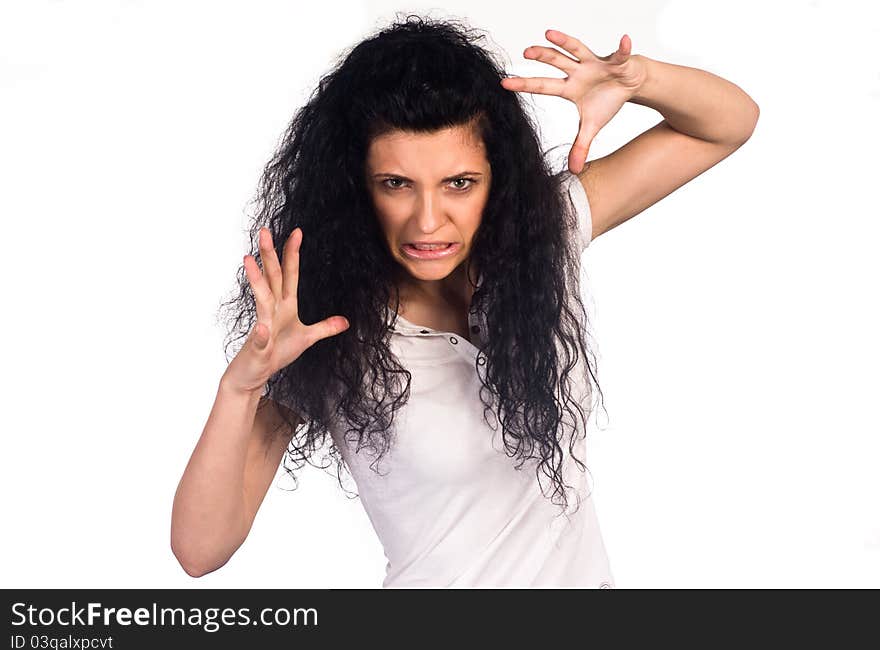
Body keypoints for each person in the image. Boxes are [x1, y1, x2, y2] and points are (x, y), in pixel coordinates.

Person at [170, 14, 759, 587]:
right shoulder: (325, 329)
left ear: (497, 179)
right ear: (356, 188)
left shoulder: (540, 239)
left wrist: (638, 80)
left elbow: (727, 123)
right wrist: (241, 387)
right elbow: (199, 551)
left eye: (459, 183)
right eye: (396, 184)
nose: (428, 221)